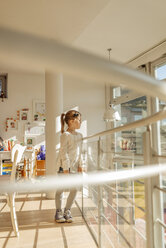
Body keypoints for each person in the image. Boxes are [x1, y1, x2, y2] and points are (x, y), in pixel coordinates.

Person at [55, 110, 83, 223]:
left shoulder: (80, 135)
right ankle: (58, 212)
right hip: (64, 168)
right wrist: (66, 169)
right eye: (79, 120)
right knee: (60, 189)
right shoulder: (65, 135)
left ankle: (67, 210)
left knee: (74, 189)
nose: (80, 122)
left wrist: (81, 165)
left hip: (75, 168)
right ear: (71, 121)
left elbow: (81, 152)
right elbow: (63, 152)